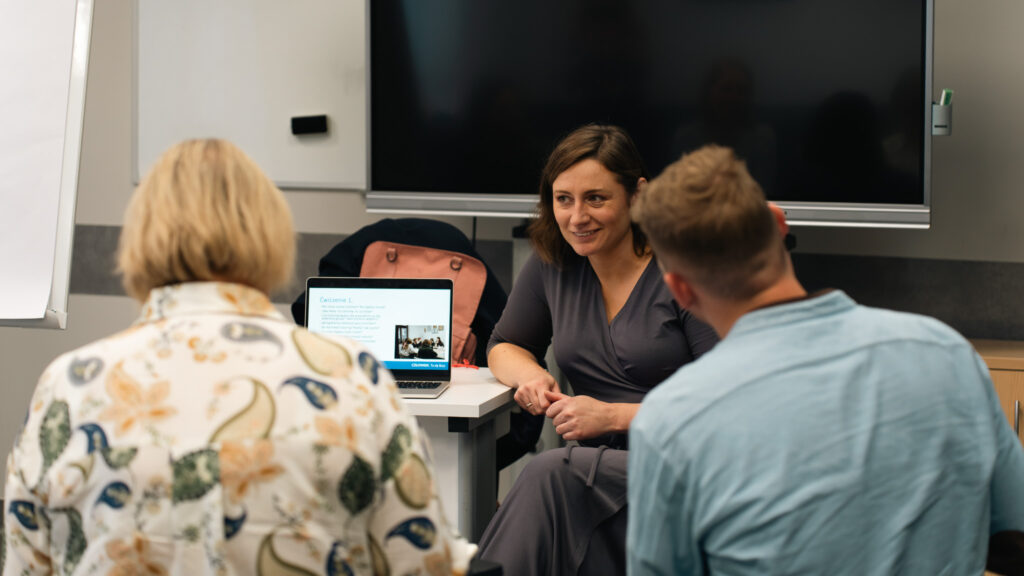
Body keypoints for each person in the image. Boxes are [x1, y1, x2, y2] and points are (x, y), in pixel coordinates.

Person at [2, 139, 472, 576]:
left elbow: (25, 561)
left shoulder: (69, 385)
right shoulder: (351, 375)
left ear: (139, 238)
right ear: (269, 234)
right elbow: (422, 560)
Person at [628, 144, 1024, 575]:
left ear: (679, 289)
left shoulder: (672, 421)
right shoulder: (945, 352)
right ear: (779, 224)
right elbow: (1013, 541)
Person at [477, 124, 718, 574]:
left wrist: (612, 416)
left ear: (637, 196)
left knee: (548, 475)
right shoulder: (553, 262)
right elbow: (504, 345)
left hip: (684, 466)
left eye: (596, 198)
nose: (576, 216)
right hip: (593, 469)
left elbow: (730, 401)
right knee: (555, 478)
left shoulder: (685, 269)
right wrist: (528, 374)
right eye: (563, 199)